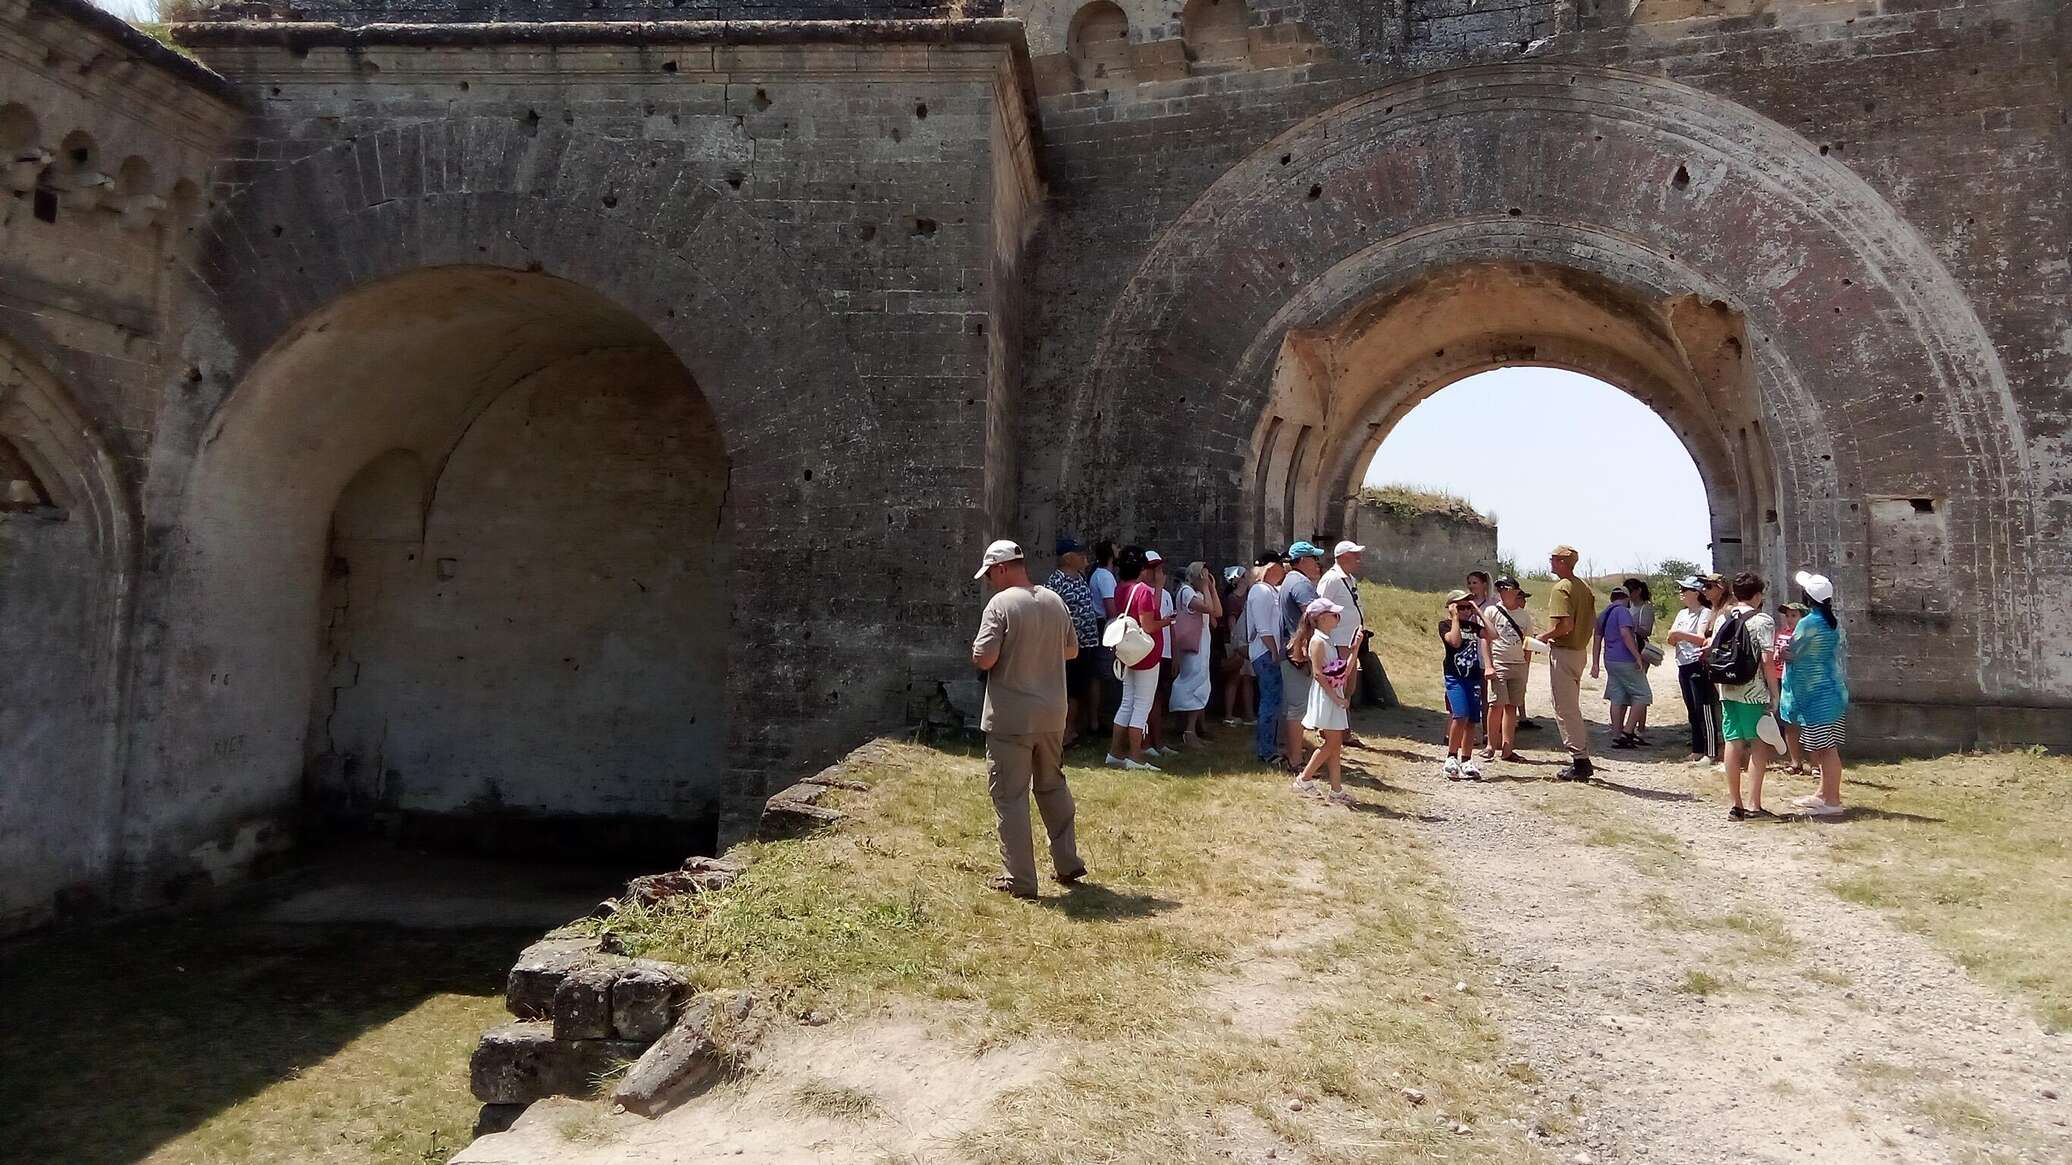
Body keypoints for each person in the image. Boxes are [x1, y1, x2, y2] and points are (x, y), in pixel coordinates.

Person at [969, 539, 1085, 899]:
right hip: (1053, 714)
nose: (989, 581)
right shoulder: (1054, 599)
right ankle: (1067, 862)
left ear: (1002, 568)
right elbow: (1072, 649)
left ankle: (1020, 878)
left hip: (1011, 717)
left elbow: (984, 658)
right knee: (1052, 784)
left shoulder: (1000, 604)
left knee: (1010, 794)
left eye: (990, 573)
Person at [1715, 570, 1780, 821]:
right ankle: (1754, 804)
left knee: (1733, 742)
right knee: (1758, 744)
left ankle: (1736, 804)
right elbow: (1767, 659)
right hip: (1753, 691)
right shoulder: (1762, 620)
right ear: (1757, 594)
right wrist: (1775, 694)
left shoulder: (1724, 618)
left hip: (1727, 688)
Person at [1783, 571, 1849, 816]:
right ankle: (1823, 794)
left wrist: (1782, 653)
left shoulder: (1808, 622)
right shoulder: (1830, 621)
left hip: (1816, 696)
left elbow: (1793, 652)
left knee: (1826, 749)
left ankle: (1832, 801)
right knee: (1825, 747)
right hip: (1832, 691)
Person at [1534, 545, 1597, 780]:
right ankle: (1580, 758)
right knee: (1570, 706)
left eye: (1553, 559)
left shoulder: (1562, 588)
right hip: (1579, 651)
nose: (1550, 562)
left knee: (1565, 708)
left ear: (1562, 561)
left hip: (1564, 651)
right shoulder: (1584, 588)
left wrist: (1543, 637)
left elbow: (1564, 626)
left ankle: (1580, 760)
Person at [1105, 546, 1170, 771]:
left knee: (1127, 701)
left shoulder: (1120, 588)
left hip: (1127, 652)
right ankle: (1135, 755)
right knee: (1142, 704)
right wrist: (1167, 621)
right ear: (1142, 568)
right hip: (1145, 653)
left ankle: (1115, 752)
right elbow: (1149, 625)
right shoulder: (1143, 591)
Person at [1290, 597, 1354, 805]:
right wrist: (1335, 697)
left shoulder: (1326, 640)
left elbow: (1340, 670)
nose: (1337, 617)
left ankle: (1336, 790)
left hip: (1332, 695)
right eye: (1333, 614)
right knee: (1333, 742)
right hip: (1326, 697)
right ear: (1321, 618)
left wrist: (1355, 647)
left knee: (1335, 746)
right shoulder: (1318, 641)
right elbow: (1318, 673)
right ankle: (1304, 778)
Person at [1046, 536, 1103, 747]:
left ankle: (1072, 731)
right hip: (1066, 649)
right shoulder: (1056, 582)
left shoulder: (1080, 579)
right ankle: (1063, 735)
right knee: (1068, 692)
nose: (1084, 558)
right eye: (1080, 554)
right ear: (1068, 558)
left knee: (1078, 691)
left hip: (1085, 646)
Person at [1278, 541, 1326, 772]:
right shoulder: (1301, 583)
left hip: (1292, 651)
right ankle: (1295, 761)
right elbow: (1314, 614)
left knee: (1292, 707)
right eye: (1313, 558)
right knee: (1297, 709)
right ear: (1302, 561)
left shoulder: (1290, 580)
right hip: (1299, 653)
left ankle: (1291, 753)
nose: (1317, 563)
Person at [1666, 575, 1721, 764]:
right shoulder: (1682, 614)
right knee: (1691, 709)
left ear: (1696, 593)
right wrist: (1677, 636)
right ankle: (1697, 748)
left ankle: (1711, 751)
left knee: (1703, 707)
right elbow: (1670, 638)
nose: (1681, 593)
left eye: (1685, 590)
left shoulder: (1705, 613)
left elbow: (1702, 639)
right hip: (1683, 664)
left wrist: (1681, 635)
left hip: (1698, 663)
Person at [1482, 576, 1536, 762]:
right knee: (1496, 704)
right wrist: (1488, 665)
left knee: (1511, 706)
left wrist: (1526, 668)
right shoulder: (1491, 611)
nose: (1502, 591)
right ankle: (1491, 745)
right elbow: (1485, 639)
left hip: (1518, 665)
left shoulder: (1524, 616)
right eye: (1499, 588)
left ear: (1516, 591)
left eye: (1506, 587)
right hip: (1499, 663)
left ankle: (1507, 747)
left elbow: (1528, 644)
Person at [1591, 585, 1652, 749]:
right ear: (1626, 598)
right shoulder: (1623, 612)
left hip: (1610, 660)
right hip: (1625, 660)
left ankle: (1616, 734)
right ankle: (1628, 731)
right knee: (1643, 694)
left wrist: (1595, 664)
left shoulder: (1603, 614)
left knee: (1617, 696)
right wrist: (1637, 656)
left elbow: (1597, 640)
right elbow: (1626, 634)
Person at [1318, 540, 1366, 740]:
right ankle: (1330, 729)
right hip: (1337, 640)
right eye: (1355, 554)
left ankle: (1342, 728)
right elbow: (1320, 607)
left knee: (1348, 685)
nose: (1358, 559)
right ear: (1343, 556)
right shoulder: (1332, 579)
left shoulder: (1349, 579)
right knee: (1339, 682)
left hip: (1349, 639)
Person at [1244, 550, 1290, 763]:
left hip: (1268, 652)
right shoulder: (1261, 591)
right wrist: (1274, 650)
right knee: (1270, 702)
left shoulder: (1269, 590)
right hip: (1265, 653)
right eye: (1281, 565)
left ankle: (1270, 745)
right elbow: (1264, 629)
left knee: (1273, 701)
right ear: (1272, 567)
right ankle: (1266, 750)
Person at [1171, 561, 1221, 747]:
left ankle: (1189, 727)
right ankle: (1188, 731)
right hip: (1193, 648)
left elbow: (1217, 612)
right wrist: (1206, 588)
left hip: (1201, 646)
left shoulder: (1199, 594)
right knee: (1193, 684)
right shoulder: (1186, 592)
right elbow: (1208, 609)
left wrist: (1212, 589)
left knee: (1199, 683)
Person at [1439, 589, 1485, 779]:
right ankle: (1451, 757)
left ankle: (1467, 759)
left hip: (1473, 677)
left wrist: (1478, 612)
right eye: (1462, 607)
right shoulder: (1445, 625)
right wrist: (1455, 618)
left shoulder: (1473, 626)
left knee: (1472, 720)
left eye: (1469, 606)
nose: (1466, 610)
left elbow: (1493, 634)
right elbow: (1455, 642)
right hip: (1455, 677)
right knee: (1460, 715)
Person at [1144, 550, 1178, 757]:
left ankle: (1159, 740)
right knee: (1148, 700)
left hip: (1164, 653)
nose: (1158, 573)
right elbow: (1154, 616)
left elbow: (1171, 625)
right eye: (1153, 569)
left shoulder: (1165, 594)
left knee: (1159, 698)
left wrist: (1175, 654)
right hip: (1148, 652)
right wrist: (1157, 587)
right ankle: (1147, 742)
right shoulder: (1145, 592)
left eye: (1159, 568)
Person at [1773, 602, 1807, 774]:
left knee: (1808, 724)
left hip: (1803, 682)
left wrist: (1793, 656)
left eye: (1794, 615)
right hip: (1783, 680)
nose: (1789, 619)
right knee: (1788, 722)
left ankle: (1816, 764)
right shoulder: (1781, 634)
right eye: (1787, 615)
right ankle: (1795, 762)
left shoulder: (1807, 635)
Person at [1624, 578, 1658, 743]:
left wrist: (1628, 626)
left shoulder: (1646, 608)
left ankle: (1641, 726)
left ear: (1637, 591)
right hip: (1626, 650)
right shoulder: (1627, 606)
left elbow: (1646, 631)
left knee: (1640, 687)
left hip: (1639, 648)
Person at [1221, 565, 1256, 726]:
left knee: (1247, 678)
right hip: (1237, 641)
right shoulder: (1233, 599)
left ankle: (1249, 715)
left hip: (1249, 640)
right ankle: (1228, 715)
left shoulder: (1249, 595)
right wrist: (1236, 644)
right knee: (1234, 678)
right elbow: (1231, 622)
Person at [1466, 570, 1495, 752]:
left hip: (1486, 649)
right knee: (1472, 694)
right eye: (1469, 582)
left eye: (1475, 582)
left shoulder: (1492, 604)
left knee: (1486, 695)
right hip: (1469, 650)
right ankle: (1473, 732)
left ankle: (1487, 731)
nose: (1471, 586)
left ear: (1484, 584)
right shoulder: (1465, 603)